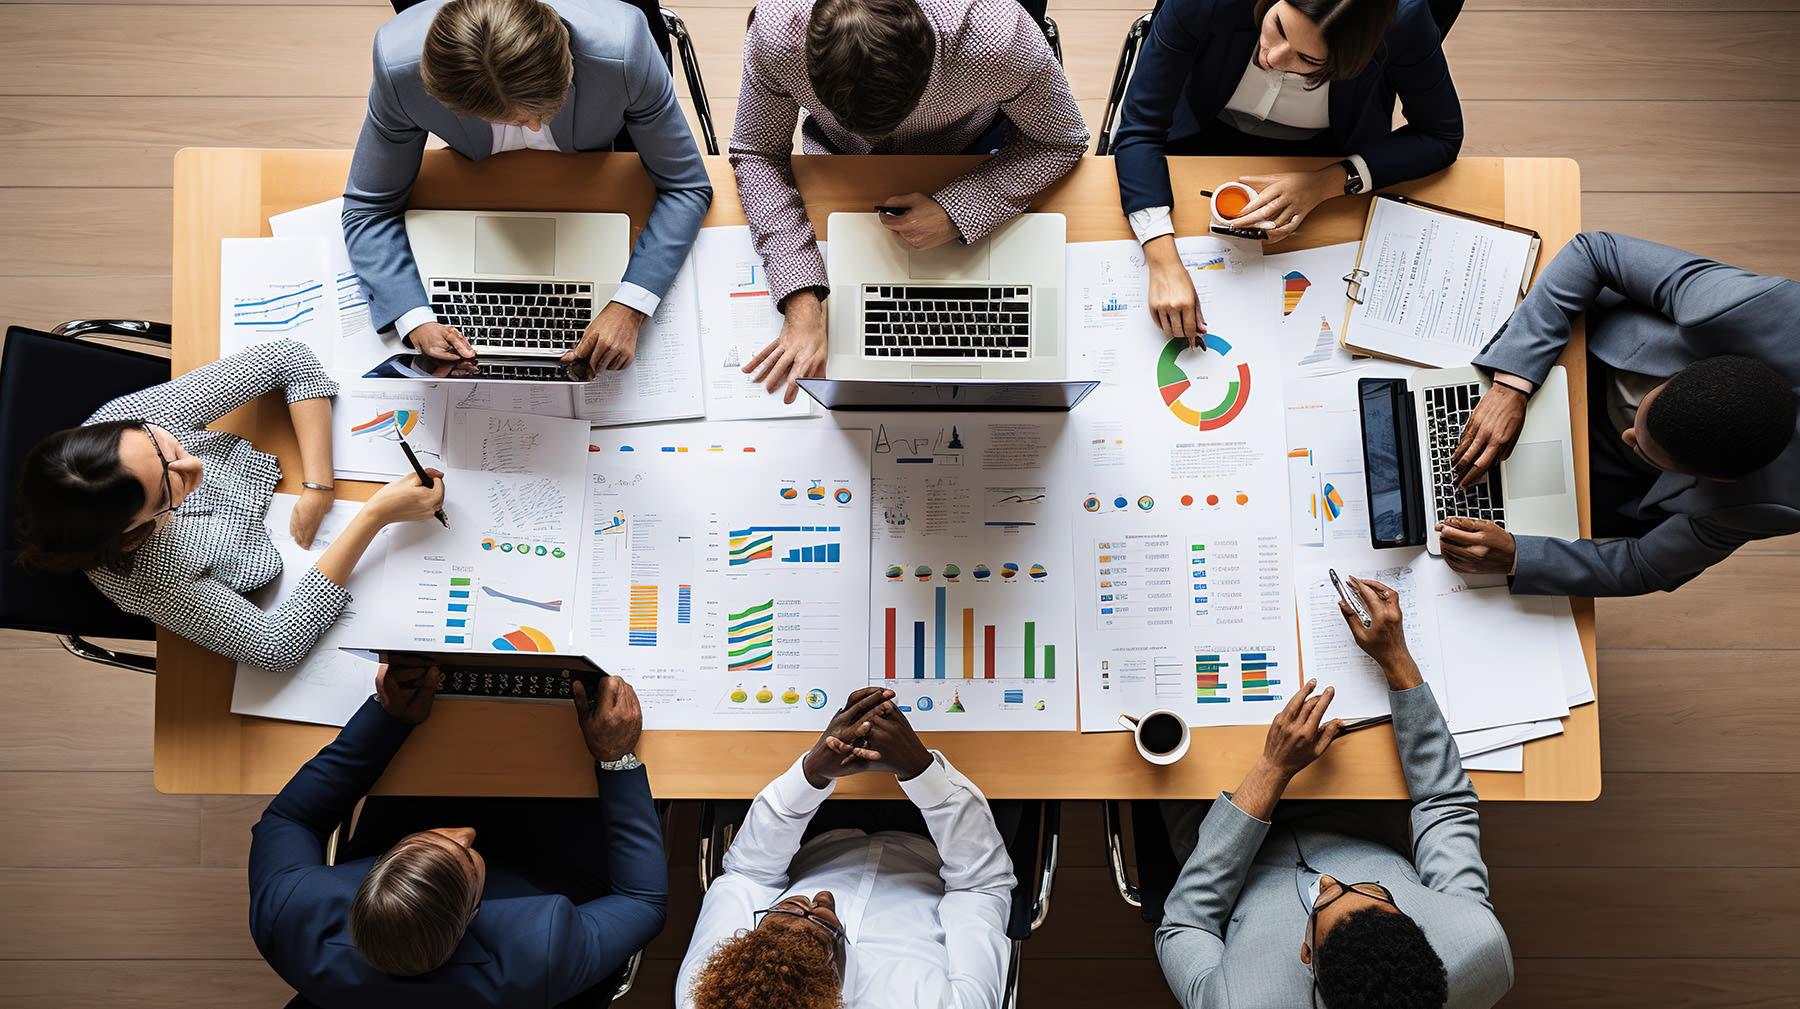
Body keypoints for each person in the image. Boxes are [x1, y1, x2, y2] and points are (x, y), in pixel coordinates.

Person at [1156, 577, 1512, 1009]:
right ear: (1416, 923)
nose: (1326, 880)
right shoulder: (1477, 945)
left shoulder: (1235, 1002)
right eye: (1372, 893)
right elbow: (1444, 801)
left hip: (1220, 842)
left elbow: (1186, 923)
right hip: (1359, 815)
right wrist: (1396, 659)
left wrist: (1271, 770)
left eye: (1325, 902)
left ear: (1308, 957)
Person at [730, 0, 1090, 402]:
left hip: (966, 156)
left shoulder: (998, 37)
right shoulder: (777, 29)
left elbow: (1060, 138)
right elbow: (757, 151)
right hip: (840, 169)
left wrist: (960, 209)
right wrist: (801, 300)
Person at [12, 340, 444, 672]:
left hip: (289, 478)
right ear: (134, 528)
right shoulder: (143, 580)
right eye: (170, 487)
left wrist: (319, 487)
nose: (191, 462)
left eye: (162, 443)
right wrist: (374, 515)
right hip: (280, 569)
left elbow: (288, 357)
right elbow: (276, 646)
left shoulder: (129, 420)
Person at [249, 664, 666, 1006]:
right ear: (474, 915)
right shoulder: (544, 947)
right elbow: (642, 900)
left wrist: (387, 716)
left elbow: (289, 820)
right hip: (551, 873)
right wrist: (616, 759)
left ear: (375, 873)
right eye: (467, 856)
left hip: (415, 804)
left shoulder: (290, 914)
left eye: (422, 843)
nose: (467, 832)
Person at [343, 0, 713, 373]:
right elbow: (367, 208)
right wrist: (412, 317)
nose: (534, 129)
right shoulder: (399, 67)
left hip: (598, 178)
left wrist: (631, 305)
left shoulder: (623, 52)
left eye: (543, 111)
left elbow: (686, 185)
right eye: (514, 119)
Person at [1446, 232, 1800, 596]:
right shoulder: (1750, 308)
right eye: (1639, 425)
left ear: (1720, 480)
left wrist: (1519, 556)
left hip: (1623, 483)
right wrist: (1512, 385)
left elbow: (1646, 566)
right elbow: (1597, 252)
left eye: (1646, 449)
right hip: (1593, 356)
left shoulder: (1778, 504)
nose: (1627, 436)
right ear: (1686, 371)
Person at [1113, 0, 1461, 345]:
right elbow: (1140, 128)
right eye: (1277, 26)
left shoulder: (1403, 19)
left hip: (1328, 151)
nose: (1273, 59)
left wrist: (1326, 182)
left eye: (1308, 59)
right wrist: (1163, 263)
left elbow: (1440, 135)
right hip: (1198, 132)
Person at [678, 686, 1015, 1008]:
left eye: (780, 915)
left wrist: (811, 774)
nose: (819, 898)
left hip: (810, 831)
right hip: (944, 848)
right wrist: (921, 772)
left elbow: (749, 877)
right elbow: (980, 888)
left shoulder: (710, 992)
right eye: (823, 926)